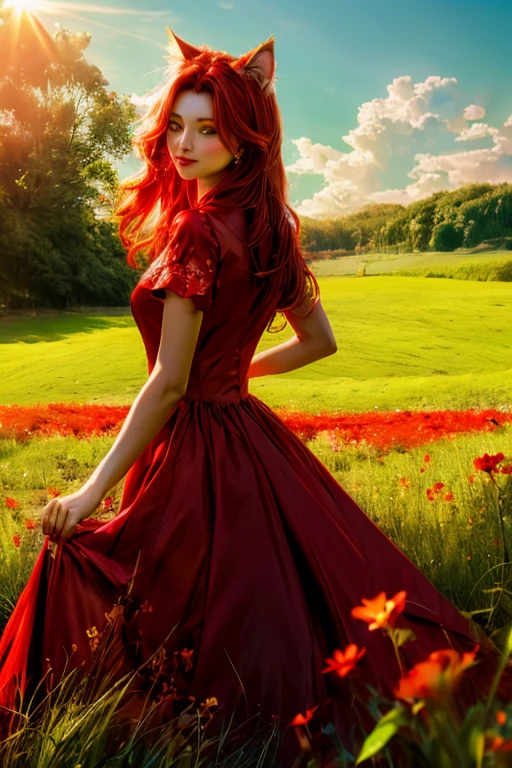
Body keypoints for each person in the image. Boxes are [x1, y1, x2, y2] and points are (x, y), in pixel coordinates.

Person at [0, 28, 510, 767]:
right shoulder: (271, 230)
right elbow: (317, 341)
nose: (184, 142)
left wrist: (89, 490)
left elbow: (169, 381)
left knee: (108, 577)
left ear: (246, 136)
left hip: (193, 450)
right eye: (177, 124)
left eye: (208, 129)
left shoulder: (198, 233)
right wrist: (237, 376)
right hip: (248, 438)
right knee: (265, 608)